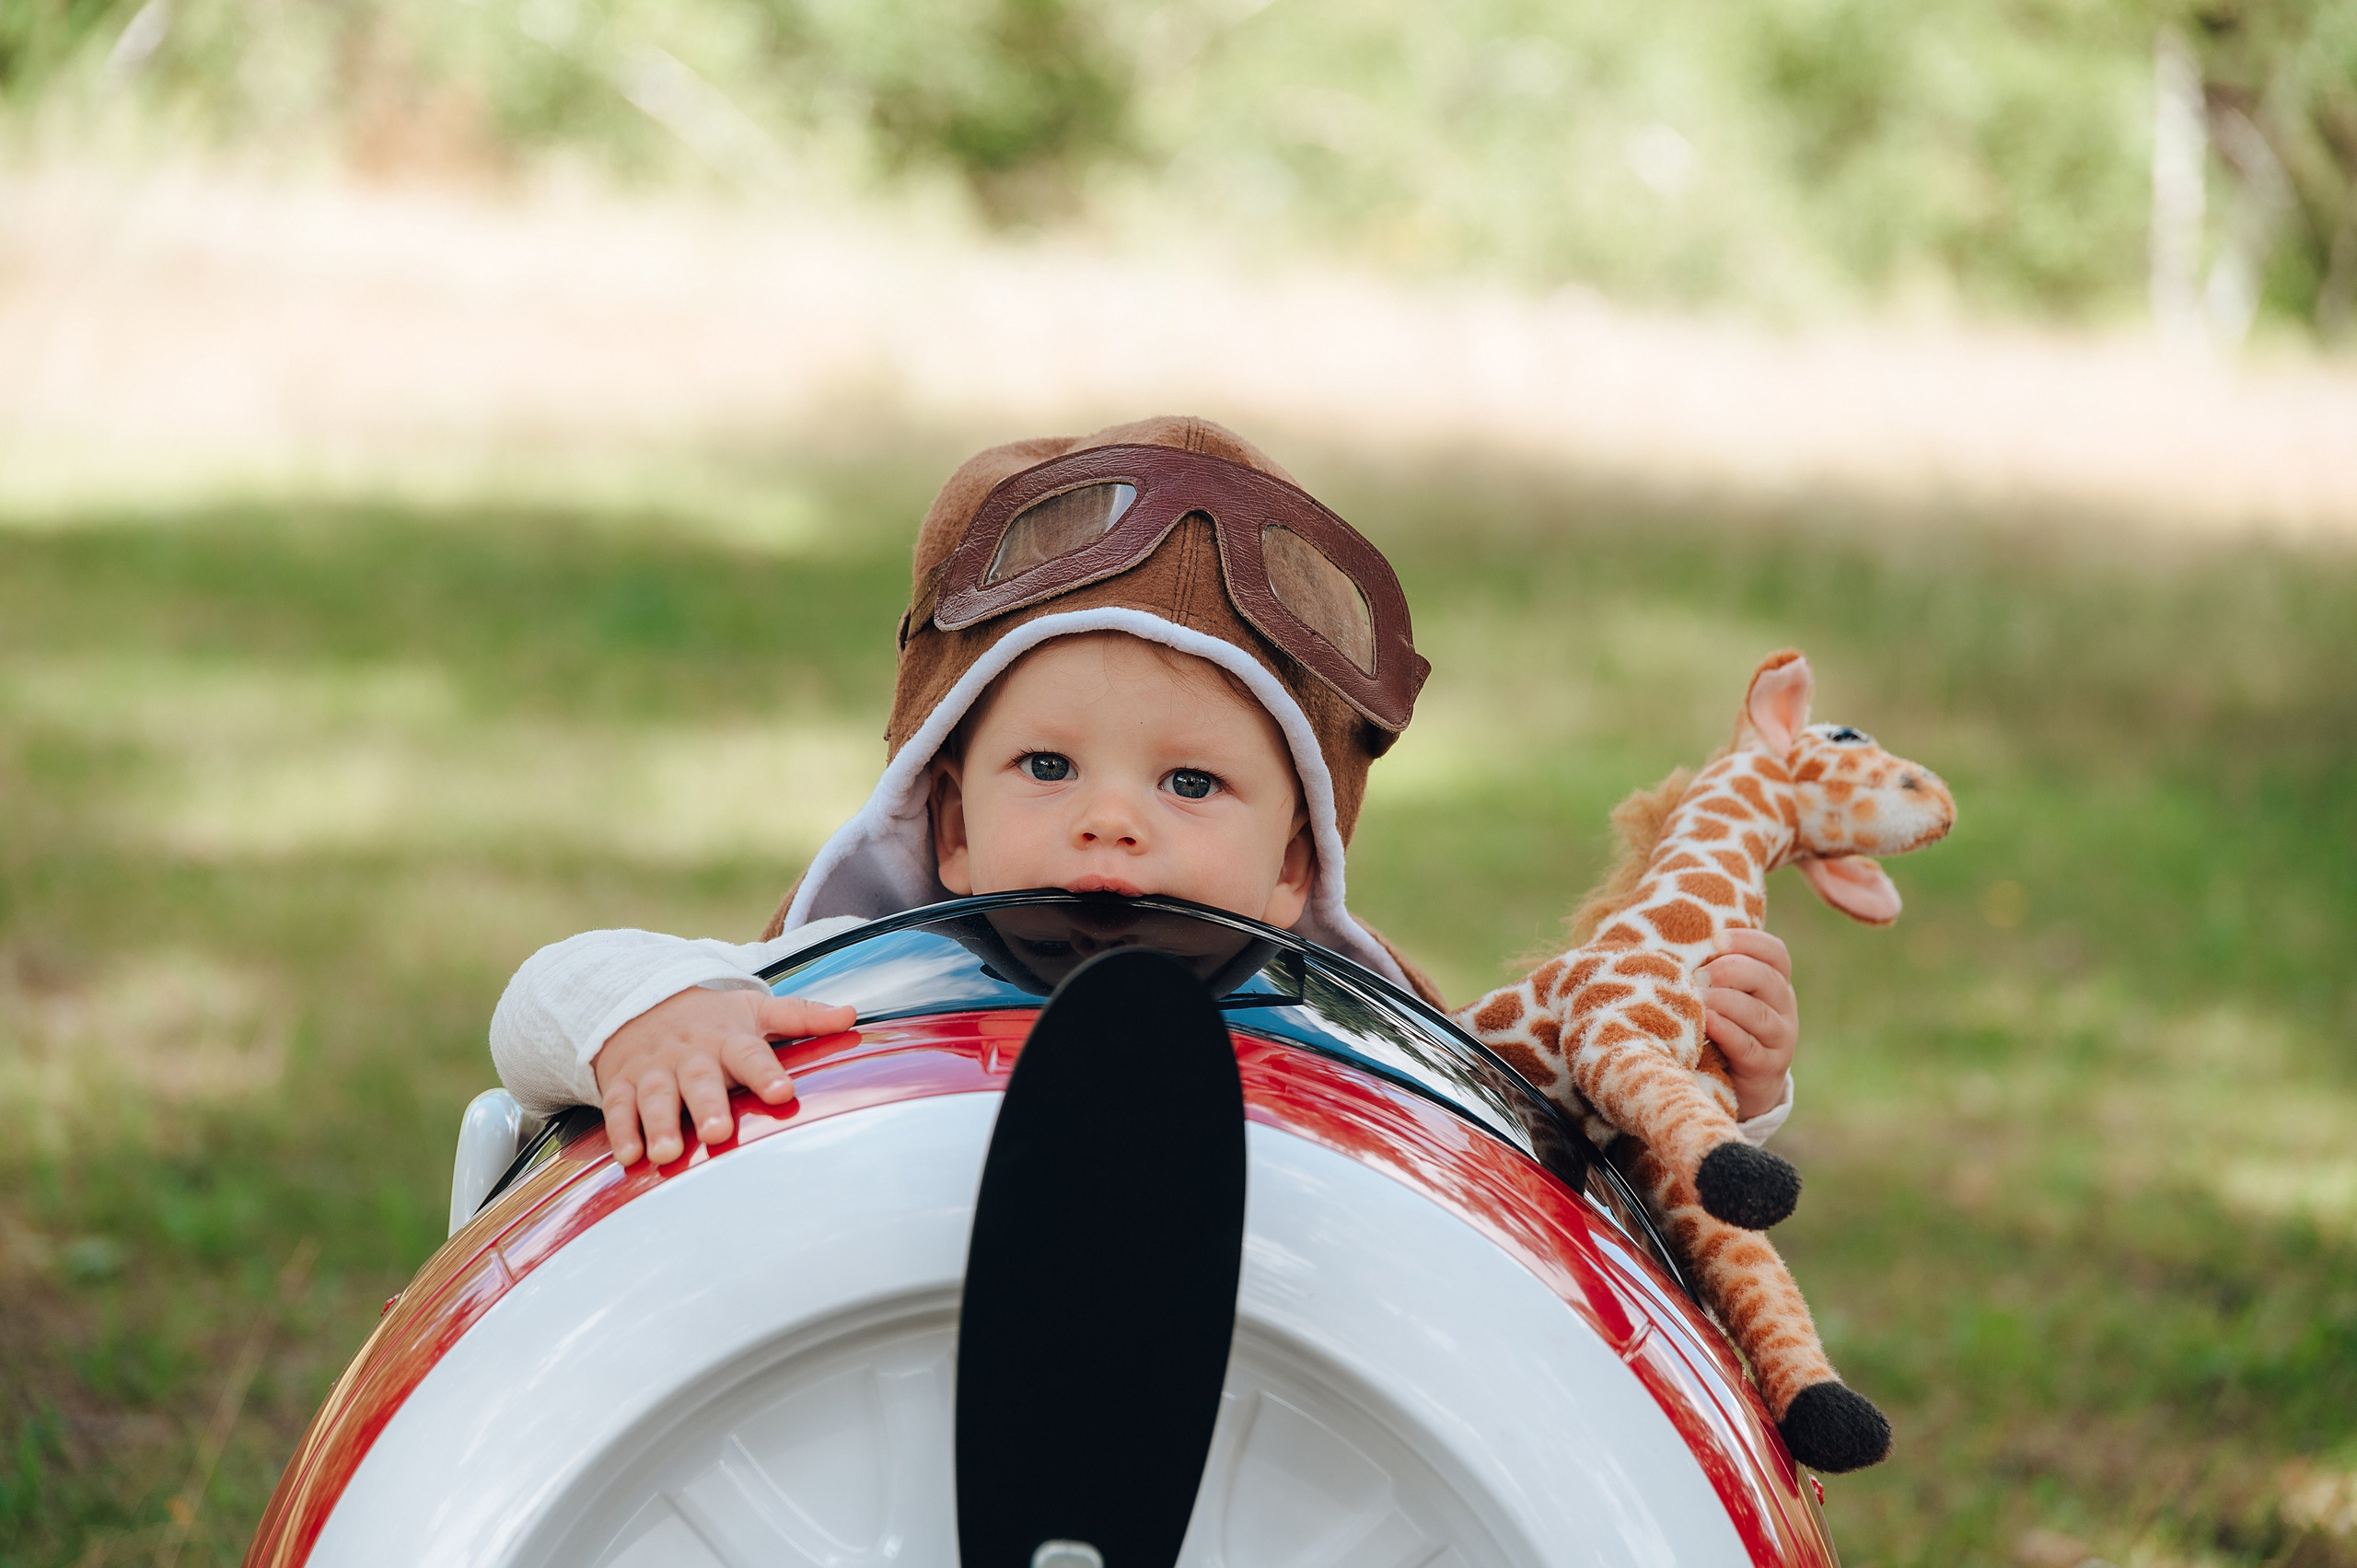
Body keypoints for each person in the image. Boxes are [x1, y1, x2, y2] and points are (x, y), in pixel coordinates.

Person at [490, 416, 1800, 1168]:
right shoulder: (834, 989)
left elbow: (1556, 1196)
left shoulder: (1359, 1043)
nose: (1110, 819)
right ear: (948, 827)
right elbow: (542, 996)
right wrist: (639, 1020)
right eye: (1045, 768)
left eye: (1192, 783)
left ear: (1300, 869)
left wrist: (1722, 1084)